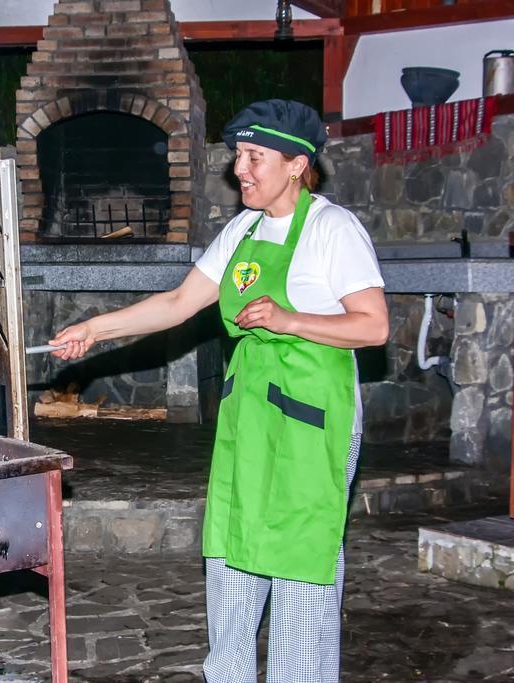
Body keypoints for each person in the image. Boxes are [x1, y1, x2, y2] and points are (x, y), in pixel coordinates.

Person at [49, 99, 388, 682]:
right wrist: (94, 329)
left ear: (297, 165)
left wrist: (290, 319)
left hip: (315, 425)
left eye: (256, 156)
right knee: (232, 554)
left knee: (298, 564)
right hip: (250, 418)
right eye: (239, 156)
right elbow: (179, 304)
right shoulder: (243, 229)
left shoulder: (334, 230)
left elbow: (373, 325)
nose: (241, 169)